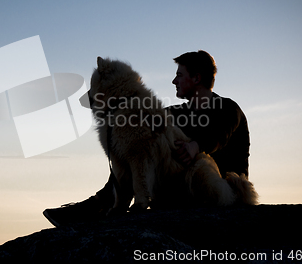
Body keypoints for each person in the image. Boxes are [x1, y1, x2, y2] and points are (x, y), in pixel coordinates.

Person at [43, 50, 250, 227]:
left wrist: (195, 146)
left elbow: (219, 135)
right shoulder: (174, 113)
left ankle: (99, 205)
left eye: (179, 75)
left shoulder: (228, 108)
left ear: (196, 78)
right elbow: (136, 144)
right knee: (128, 150)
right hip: (175, 189)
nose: (174, 81)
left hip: (218, 189)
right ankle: (100, 203)